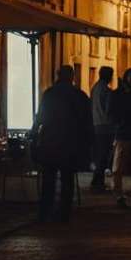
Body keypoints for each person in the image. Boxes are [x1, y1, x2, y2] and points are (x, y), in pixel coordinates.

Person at [32, 65, 93, 223]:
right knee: (67, 179)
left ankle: (45, 212)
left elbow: (41, 117)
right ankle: (64, 213)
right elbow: (87, 122)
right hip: (71, 143)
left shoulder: (49, 94)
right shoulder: (79, 95)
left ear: (58, 75)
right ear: (72, 76)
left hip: (51, 142)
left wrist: (33, 133)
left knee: (49, 179)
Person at [110, 68, 131, 207]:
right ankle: (118, 195)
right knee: (118, 167)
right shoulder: (119, 94)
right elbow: (111, 112)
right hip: (123, 134)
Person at [89, 67, 115, 192]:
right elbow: (109, 110)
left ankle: (97, 181)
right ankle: (97, 183)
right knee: (103, 156)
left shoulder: (94, 88)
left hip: (96, 124)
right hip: (106, 126)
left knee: (100, 154)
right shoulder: (107, 91)